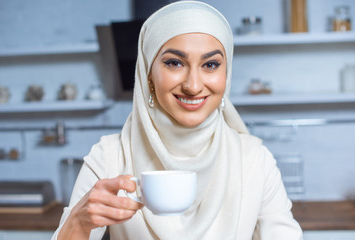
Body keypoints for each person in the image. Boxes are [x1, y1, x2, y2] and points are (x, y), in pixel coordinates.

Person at [52, 1, 303, 239]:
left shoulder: (254, 160)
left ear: (227, 74)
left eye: (211, 64)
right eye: (174, 63)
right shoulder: (109, 157)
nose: (193, 86)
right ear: (148, 74)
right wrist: (78, 222)